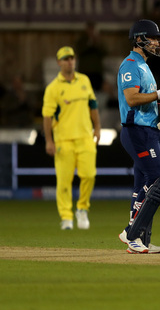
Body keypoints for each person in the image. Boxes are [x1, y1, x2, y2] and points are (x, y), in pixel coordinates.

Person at [116, 19, 160, 254]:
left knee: (141, 183)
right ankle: (132, 234)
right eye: (153, 38)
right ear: (139, 39)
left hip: (148, 130)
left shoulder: (144, 66)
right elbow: (132, 99)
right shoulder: (130, 65)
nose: (157, 42)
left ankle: (140, 239)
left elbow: (148, 104)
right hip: (136, 131)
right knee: (157, 177)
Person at [42, 46, 101, 230]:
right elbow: (47, 116)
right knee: (64, 181)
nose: (70, 61)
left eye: (72, 58)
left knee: (89, 175)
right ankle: (66, 217)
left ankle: (82, 209)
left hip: (85, 138)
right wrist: (49, 141)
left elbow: (93, 105)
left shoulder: (84, 80)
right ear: (59, 62)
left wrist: (97, 127)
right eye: (66, 59)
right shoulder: (53, 88)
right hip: (64, 140)